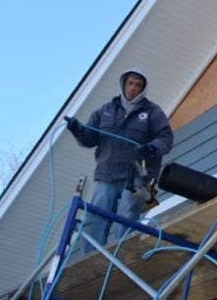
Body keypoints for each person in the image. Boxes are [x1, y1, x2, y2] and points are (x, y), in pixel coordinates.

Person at [65, 68, 174, 253]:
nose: (133, 88)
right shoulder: (105, 111)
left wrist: (151, 148)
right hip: (106, 174)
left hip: (136, 176)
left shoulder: (152, 112)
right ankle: (90, 260)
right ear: (123, 84)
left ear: (143, 89)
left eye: (138, 85)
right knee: (96, 216)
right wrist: (78, 130)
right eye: (130, 83)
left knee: (128, 213)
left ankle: (123, 254)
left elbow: (165, 138)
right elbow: (89, 139)